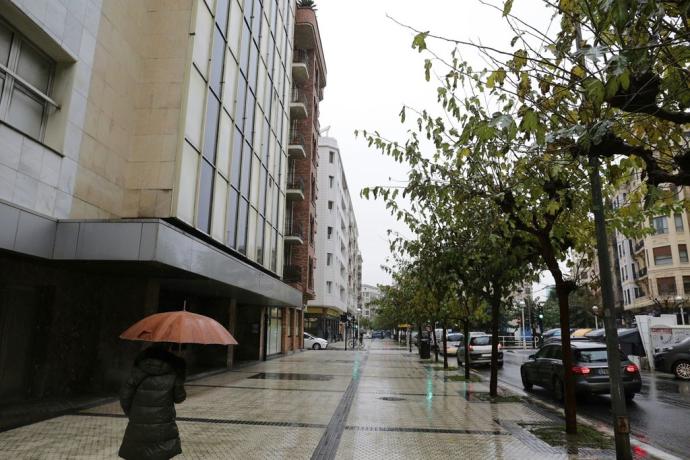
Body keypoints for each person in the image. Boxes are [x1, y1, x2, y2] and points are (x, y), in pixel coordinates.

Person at [119, 344, 187, 460]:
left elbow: (125, 396)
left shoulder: (138, 370)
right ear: (167, 351)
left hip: (138, 424)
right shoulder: (173, 372)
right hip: (162, 427)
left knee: (139, 455)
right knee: (160, 454)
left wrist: (132, 414)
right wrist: (180, 379)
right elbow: (179, 398)